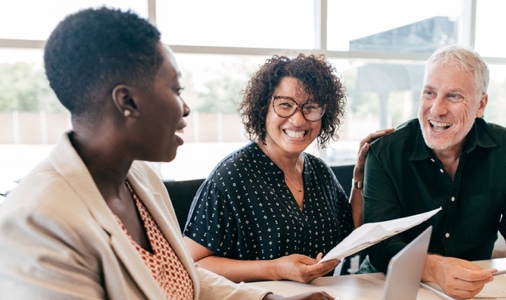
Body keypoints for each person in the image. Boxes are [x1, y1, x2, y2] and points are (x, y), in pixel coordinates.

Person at [0, 7, 336, 300]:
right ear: (127, 101)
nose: (186, 108)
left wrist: (267, 298)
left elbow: (180, 275)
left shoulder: (139, 178)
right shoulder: (37, 220)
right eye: (176, 89)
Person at [359, 44, 506, 299]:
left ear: (481, 104)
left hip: (473, 288)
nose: (436, 109)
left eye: (453, 96)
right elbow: (381, 245)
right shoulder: (386, 152)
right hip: (387, 285)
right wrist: (435, 268)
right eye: (429, 93)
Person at [183, 53, 392, 283]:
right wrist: (275, 269)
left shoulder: (319, 171)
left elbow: (351, 232)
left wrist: (360, 175)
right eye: (285, 105)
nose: (298, 120)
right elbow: (193, 264)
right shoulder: (231, 176)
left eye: (311, 108)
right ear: (263, 108)